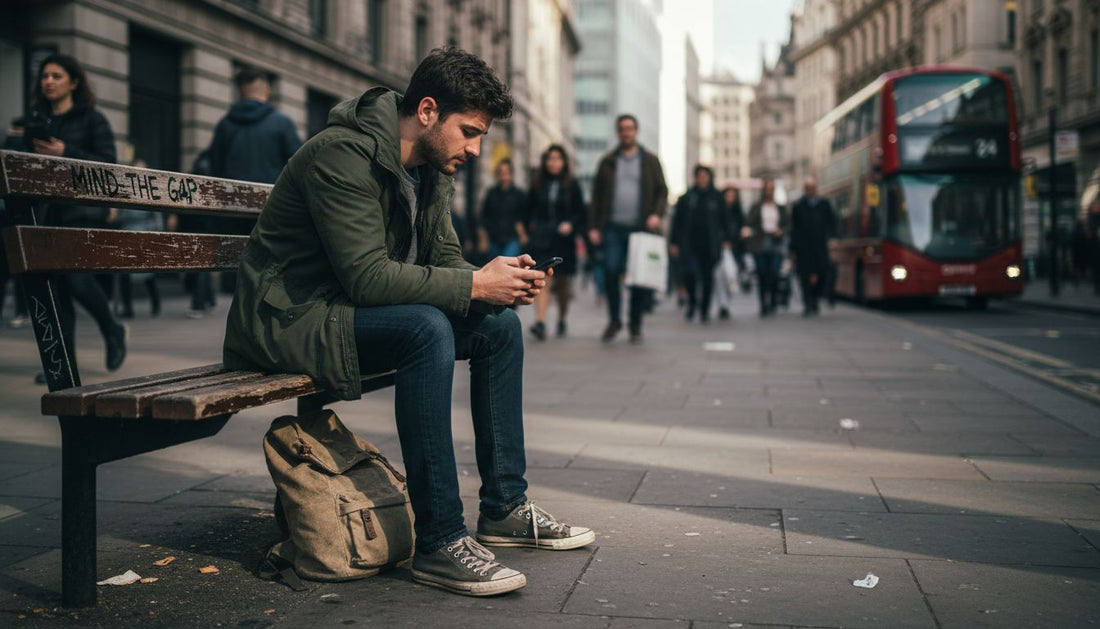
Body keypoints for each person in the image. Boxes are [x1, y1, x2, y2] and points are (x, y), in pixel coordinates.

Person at [222, 47, 594, 598]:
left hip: (342, 312)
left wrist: (497, 282)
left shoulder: (431, 166)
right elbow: (367, 279)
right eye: (468, 132)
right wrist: (473, 285)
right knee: (427, 329)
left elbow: (443, 257)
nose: (474, 149)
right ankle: (441, 541)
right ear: (426, 111)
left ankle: (504, 508)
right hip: (288, 320)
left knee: (498, 329)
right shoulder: (340, 155)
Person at [6, 54, 127, 378]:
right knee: (56, 288)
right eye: (45, 75)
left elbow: (107, 165)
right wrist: (15, 142)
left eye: (56, 75)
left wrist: (66, 153)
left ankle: (112, 327)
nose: (48, 81)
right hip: (47, 213)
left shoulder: (92, 119)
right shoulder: (37, 121)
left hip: (82, 214)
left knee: (75, 278)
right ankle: (62, 364)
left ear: (73, 82)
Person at [203, 66, 302, 308]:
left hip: (233, 215)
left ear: (239, 92)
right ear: (266, 91)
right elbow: (300, 167)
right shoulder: (282, 124)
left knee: (238, 276)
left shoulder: (225, 125)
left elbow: (215, 171)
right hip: (272, 215)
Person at [588, 114, 668, 344]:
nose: (627, 132)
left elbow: (662, 191)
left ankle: (635, 323)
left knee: (638, 278)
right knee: (612, 271)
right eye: (623, 129)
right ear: (618, 132)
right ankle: (615, 320)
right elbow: (596, 196)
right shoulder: (608, 162)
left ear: (637, 131)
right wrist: (593, 226)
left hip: (640, 228)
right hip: (613, 227)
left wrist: (656, 214)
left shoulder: (650, 161)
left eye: (630, 128)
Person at [523, 144, 586, 340]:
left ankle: (561, 317)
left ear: (564, 162)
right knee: (543, 279)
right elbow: (528, 209)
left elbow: (580, 212)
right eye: (550, 158)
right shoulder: (537, 183)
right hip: (542, 239)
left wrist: (571, 225)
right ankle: (540, 322)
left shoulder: (572, 185)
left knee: (563, 283)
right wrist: (528, 231)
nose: (554, 162)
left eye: (558, 159)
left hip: (564, 239)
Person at [669, 165, 730, 323]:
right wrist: (674, 242)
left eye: (705, 176)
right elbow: (677, 222)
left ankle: (704, 309)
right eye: (699, 176)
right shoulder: (688, 197)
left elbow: (725, 221)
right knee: (690, 274)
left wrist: (727, 240)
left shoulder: (716, 197)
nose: (702, 179)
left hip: (710, 245)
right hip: (689, 244)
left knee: (708, 278)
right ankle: (692, 302)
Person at [113, 158, 162, 318]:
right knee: (125, 273)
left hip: (144, 232)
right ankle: (128, 307)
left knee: (148, 273)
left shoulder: (152, 188)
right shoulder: (124, 188)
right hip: (127, 232)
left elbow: (157, 215)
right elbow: (118, 214)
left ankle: (156, 303)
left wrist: (156, 234)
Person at [789, 176, 836, 317]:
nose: (810, 191)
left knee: (822, 274)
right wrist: (792, 248)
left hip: (820, 246)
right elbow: (794, 229)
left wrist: (832, 239)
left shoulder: (824, 204)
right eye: (808, 188)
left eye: (812, 188)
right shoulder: (798, 206)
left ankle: (815, 299)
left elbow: (831, 223)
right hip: (803, 248)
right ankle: (808, 303)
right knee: (804, 277)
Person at [742, 178, 787, 317]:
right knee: (762, 273)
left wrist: (781, 230)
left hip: (775, 242)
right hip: (760, 242)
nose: (769, 191)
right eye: (767, 188)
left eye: (771, 188)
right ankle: (763, 304)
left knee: (773, 272)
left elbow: (787, 224)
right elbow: (749, 222)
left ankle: (773, 300)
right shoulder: (756, 207)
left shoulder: (780, 208)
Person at [477, 159, 525, 259]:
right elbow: (484, 217)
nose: (504, 176)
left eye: (506, 173)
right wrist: (483, 238)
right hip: (494, 238)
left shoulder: (518, 194)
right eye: (501, 173)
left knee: (509, 265)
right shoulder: (492, 193)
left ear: (512, 174)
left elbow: (523, 217)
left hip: (512, 238)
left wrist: (522, 234)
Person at [713, 185, 745, 319]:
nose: (730, 199)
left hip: (735, 249)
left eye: (732, 196)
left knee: (731, 277)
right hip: (720, 249)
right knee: (720, 277)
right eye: (728, 195)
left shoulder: (738, 213)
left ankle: (726, 301)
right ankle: (723, 304)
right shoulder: (717, 212)